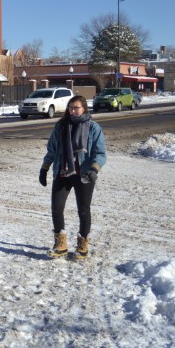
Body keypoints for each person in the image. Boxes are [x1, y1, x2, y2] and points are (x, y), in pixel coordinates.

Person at [39, 95, 106, 259]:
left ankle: (83, 244)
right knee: (57, 208)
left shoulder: (93, 128)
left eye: (76, 108)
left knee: (83, 210)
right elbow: (52, 150)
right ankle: (60, 244)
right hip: (63, 173)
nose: (73, 111)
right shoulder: (61, 126)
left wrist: (94, 169)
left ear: (84, 108)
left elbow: (100, 153)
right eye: (70, 108)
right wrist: (44, 168)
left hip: (84, 175)